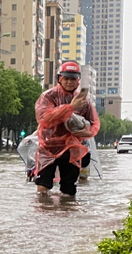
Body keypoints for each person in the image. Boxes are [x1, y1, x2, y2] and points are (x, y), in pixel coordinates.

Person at [33, 61, 99, 197]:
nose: (69, 82)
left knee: (69, 190)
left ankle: (67, 213)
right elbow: (44, 118)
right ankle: (44, 214)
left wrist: (87, 132)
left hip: (72, 149)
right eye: (66, 78)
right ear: (60, 79)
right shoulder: (48, 96)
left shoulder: (83, 101)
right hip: (48, 147)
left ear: (78, 80)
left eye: (73, 79)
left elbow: (94, 123)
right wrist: (70, 108)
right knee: (42, 187)